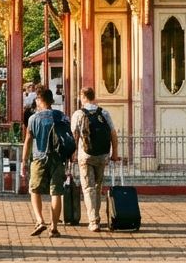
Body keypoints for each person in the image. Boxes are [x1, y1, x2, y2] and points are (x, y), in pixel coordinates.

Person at [69, 86, 119, 232]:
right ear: (93, 96)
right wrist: (114, 154)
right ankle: (96, 216)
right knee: (97, 186)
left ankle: (93, 221)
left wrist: (72, 154)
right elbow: (113, 134)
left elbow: (74, 136)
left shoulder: (78, 114)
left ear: (83, 97)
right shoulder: (103, 112)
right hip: (102, 155)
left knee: (88, 187)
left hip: (85, 156)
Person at [22, 88, 66, 237]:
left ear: (40, 100)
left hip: (39, 158)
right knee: (56, 192)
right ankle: (54, 227)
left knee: (35, 190)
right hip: (58, 158)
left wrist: (23, 161)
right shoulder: (61, 116)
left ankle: (40, 220)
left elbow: (28, 141)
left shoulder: (33, 118)